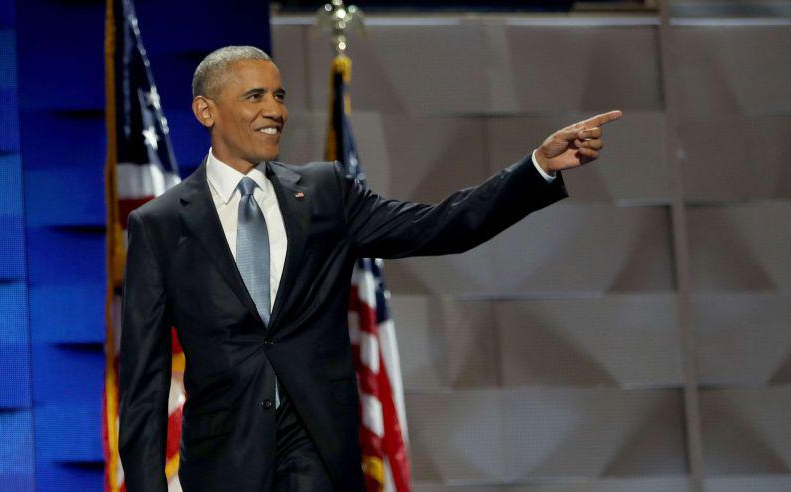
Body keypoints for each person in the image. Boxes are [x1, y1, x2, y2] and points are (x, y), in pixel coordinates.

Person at [118, 45, 621, 492]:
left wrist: (536, 168)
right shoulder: (159, 225)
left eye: (279, 95)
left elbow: (441, 225)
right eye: (255, 97)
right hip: (221, 462)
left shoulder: (323, 193)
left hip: (317, 452)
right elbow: (144, 380)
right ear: (206, 110)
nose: (275, 110)